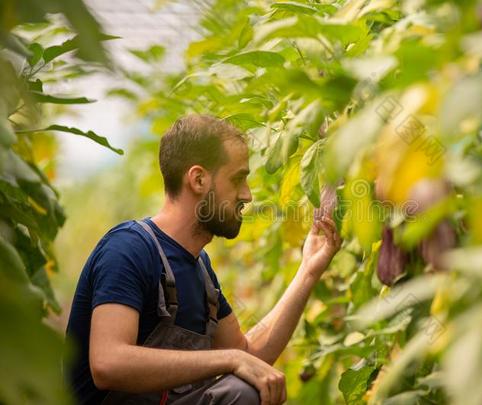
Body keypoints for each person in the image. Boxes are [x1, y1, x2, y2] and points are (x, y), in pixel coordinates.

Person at [65, 114, 342, 405]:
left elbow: (248, 355)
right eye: (237, 179)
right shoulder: (128, 250)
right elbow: (108, 363)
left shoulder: (200, 268)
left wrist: (309, 270)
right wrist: (228, 359)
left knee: (246, 386)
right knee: (241, 392)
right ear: (198, 179)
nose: (247, 195)